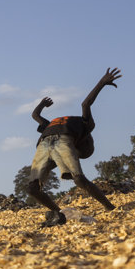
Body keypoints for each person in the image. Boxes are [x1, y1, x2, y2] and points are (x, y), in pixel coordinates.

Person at [27, 68, 121, 227]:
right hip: (56, 142)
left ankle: (105, 207)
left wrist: (42, 104)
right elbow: (86, 103)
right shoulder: (86, 125)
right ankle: (63, 214)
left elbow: (35, 115)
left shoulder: (51, 124)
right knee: (73, 180)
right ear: (86, 141)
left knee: (37, 187)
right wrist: (102, 82)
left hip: (46, 143)